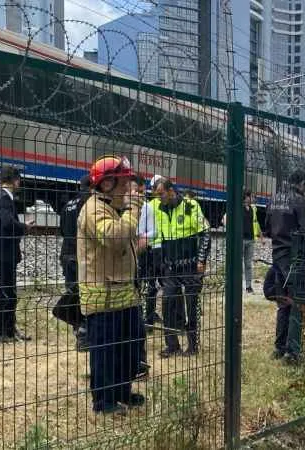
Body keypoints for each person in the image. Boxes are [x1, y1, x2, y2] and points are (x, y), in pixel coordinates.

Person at [77, 155, 145, 415]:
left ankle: (122, 392)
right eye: (123, 182)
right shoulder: (94, 209)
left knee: (130, 347)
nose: (128, 187)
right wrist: (133, 210)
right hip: (103, 298)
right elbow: (115, 239)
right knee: (106, 351)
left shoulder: (112, 207)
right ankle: (103, 402)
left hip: (123, 294)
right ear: (106, 184)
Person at [153, 178, 211, 358]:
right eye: (157, 195)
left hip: (191, 265)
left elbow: (206, 233)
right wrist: (161, 263)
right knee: (168, 303)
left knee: (192, 304)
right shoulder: (160, 209)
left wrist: (201, 260)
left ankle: (193, 345)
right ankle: (172, 345)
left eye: (161, 194)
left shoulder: (190, 206)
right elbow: (159, 238)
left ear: (171, 190)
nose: (159, 198)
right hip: (171, 267)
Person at [264, 170, 305, 364]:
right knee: (297, 303)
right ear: (301, 183)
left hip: (278, 257)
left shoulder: (274, 199)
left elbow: (267, 229)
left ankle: (279, 347)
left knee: (282, 302)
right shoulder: (299, 201)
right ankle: (292, 353)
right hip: (295, 258)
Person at [0, 165, 34, 343]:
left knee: (6, 291)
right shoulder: (4, 198)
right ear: (16, 181)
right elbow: (7, 223)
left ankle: (9, 330)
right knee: (5, 292)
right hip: (4, 251)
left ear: (0, 180)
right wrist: (25, 227)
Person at [52, 175, 91, 351]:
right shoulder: (89, 203)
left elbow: (61, 230)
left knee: (73, 295)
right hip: (81, 256)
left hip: (66, 255)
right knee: (86, 296)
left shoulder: (68, 205)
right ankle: (85, 336)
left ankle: (78, 332)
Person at [137, 175, 165, 332]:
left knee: (148, 285)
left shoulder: (149, 205)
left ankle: (148, 318)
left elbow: (154, 230)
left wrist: (144, 238)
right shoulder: (157, 204)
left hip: (149, 249)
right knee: (147, 285)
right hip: (151, 249)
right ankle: (145, 318)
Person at [222, 189, 262, 294]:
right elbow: (225, 219)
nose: (252, 199)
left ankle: (248, 286)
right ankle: (236, 285)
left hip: (250, 240)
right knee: (238, 264)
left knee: (248, 264)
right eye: (251, 196)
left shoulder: (252, 209)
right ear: (246, 197)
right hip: (240, 240)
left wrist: (259, 236)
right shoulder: (238, 208)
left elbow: (254, 223)